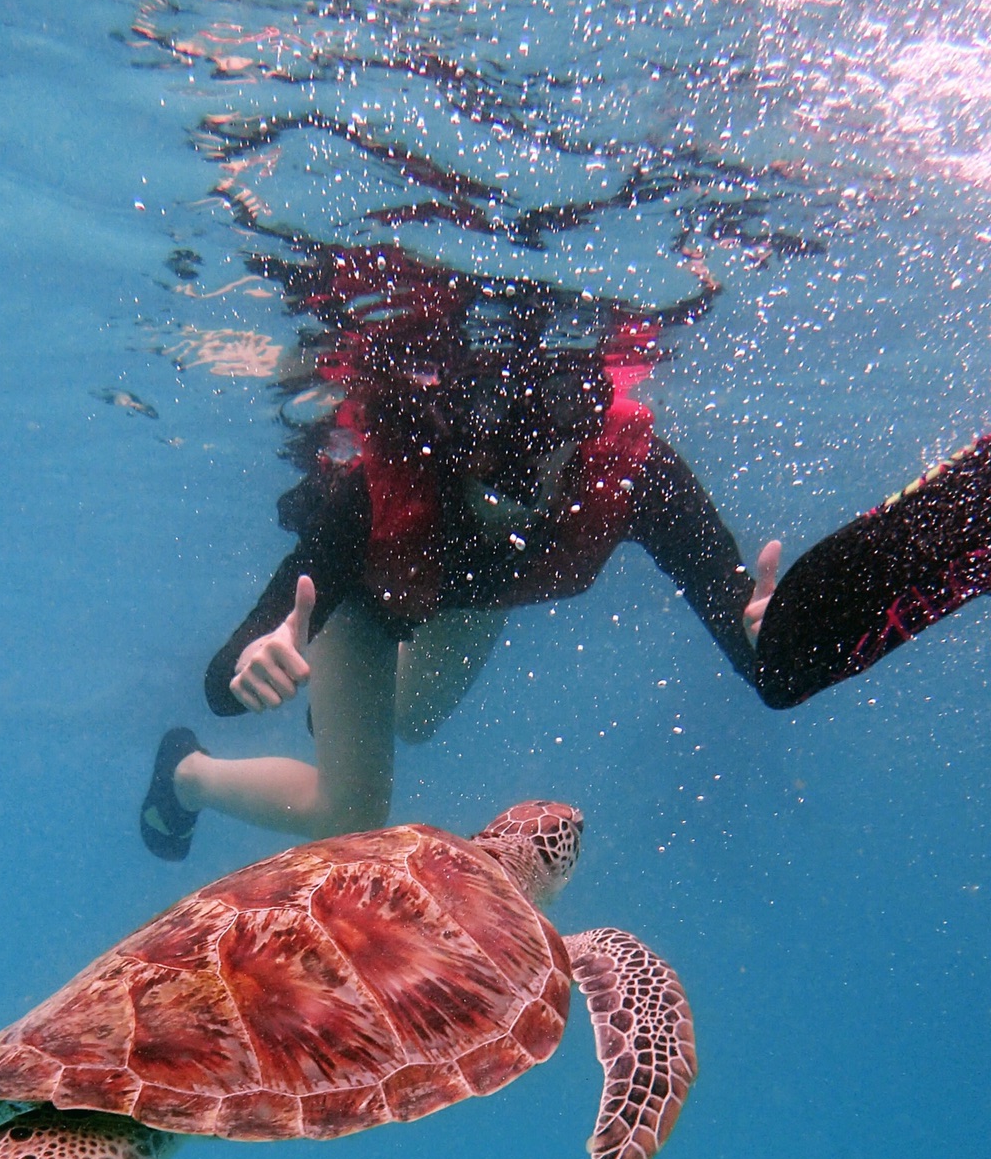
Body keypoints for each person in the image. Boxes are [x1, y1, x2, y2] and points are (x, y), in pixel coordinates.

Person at [141, 266, 990, 859]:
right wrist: (257, 661)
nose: (518, 505)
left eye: (542, 478)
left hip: (467, 605)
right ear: (448, 449)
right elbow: (226, 677)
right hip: (373, 605)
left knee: (418, 720)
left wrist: (765, 625)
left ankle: (345, 705)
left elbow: (750, 639)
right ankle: (184, 774)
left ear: (577, 444)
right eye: (487, 483)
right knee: (353, 811)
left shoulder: (634, 477)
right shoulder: (371, 500)